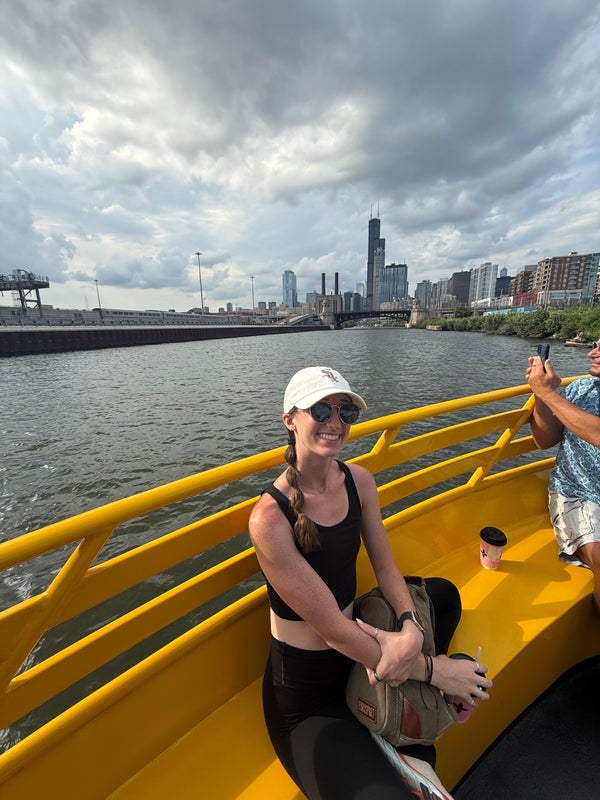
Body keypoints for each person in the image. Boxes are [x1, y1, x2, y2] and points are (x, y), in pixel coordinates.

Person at [249, 366, 492, 800]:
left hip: (359, 649)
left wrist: (410, 625)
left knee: (444, 596)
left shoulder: (358, 481)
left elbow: (386, 567)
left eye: (346, 412)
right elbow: (334, 631)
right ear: (290, 420)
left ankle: (402, 704)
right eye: (320, 410)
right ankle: (409, 716)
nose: (335, 422)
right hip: (309, 694)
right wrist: (436, 671)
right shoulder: (269, 519)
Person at [527, 340, 600, 615]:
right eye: (595, 346)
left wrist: (548, 393)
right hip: (579, 496)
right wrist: (542, 395)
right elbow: (544, 440)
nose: (592, 353)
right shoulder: (581, 389)